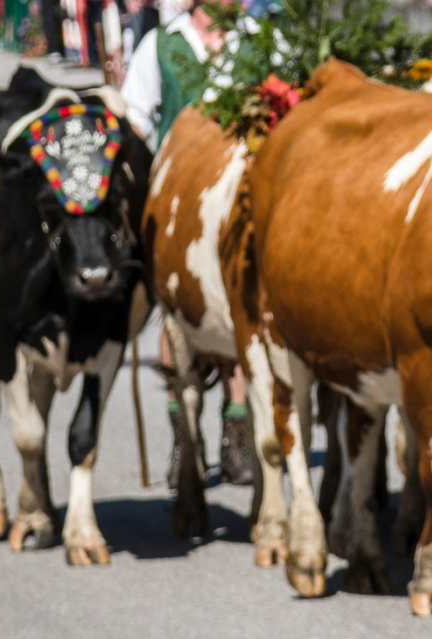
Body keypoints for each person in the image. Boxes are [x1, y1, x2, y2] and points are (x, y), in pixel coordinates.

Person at [124, 0, 258, 485]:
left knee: (242, 308)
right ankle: (185, 437)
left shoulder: (258, 40)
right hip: (178, 202)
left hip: (237, 195)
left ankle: (237, 428)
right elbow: (137, 124)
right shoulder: (159, 45)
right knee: (174, 315)